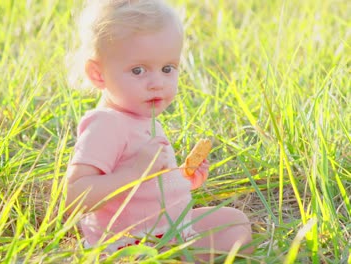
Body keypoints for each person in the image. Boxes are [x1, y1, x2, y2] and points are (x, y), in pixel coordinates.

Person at [65, 0, 253, 261]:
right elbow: (74, 197)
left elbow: (149, 188)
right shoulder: (106, 125)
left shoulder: (142, 116)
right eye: (138, 70)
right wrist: (132, 174)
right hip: (130, 245)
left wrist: (183, 179)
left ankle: (178, 254)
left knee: (234, 223)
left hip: (165, 232)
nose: (157, 83)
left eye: (167, 69)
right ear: (98, 75)